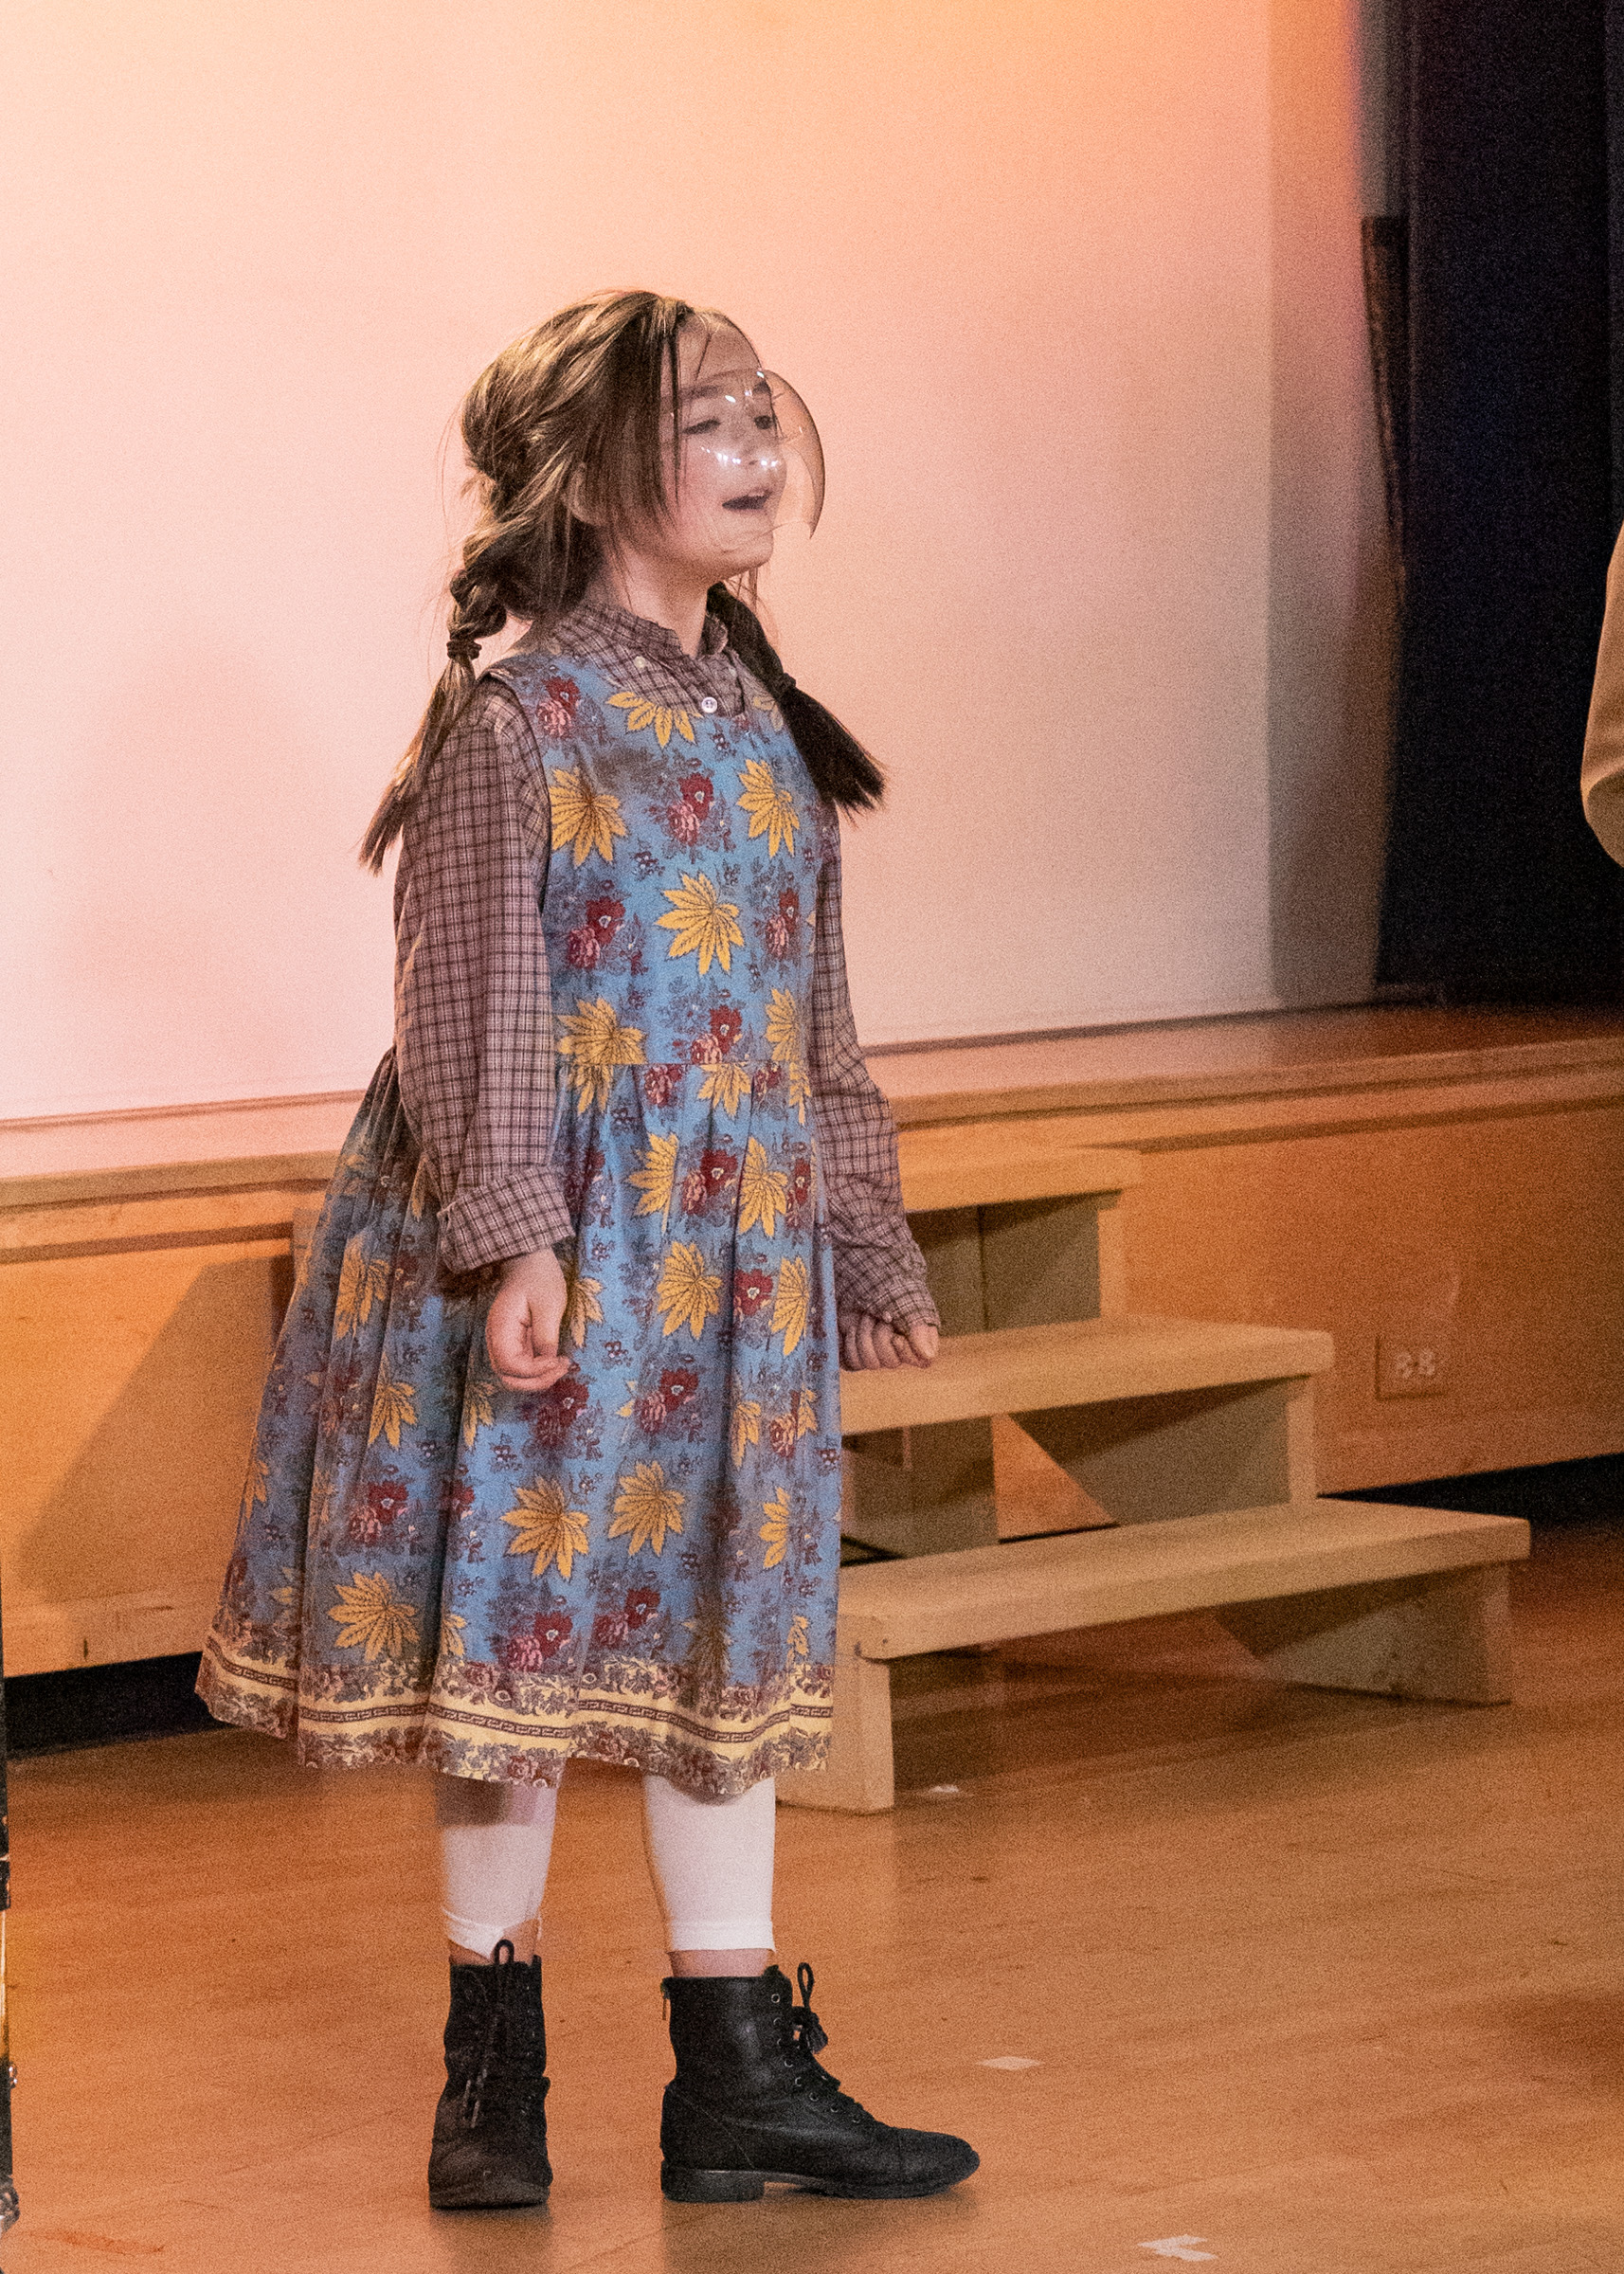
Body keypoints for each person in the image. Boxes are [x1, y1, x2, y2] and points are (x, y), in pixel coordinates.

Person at [198, 289, 979, 2211]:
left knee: (723, 1625)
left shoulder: (757, 719)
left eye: (760, 412)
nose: (754, 450)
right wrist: (516, 1239)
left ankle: (736, 2074)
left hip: (731, 1253)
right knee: (520, 1648)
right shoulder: (522, 717)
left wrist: (865, 1235)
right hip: (567, 1234)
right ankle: (493, 2064)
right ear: (592, 469)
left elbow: (815, 1018)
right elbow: (467, 1004)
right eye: (707, 419)